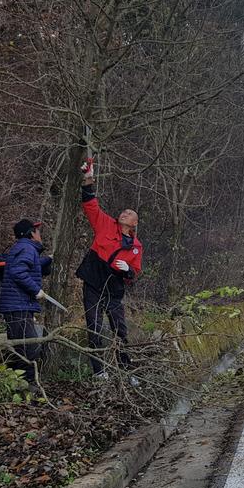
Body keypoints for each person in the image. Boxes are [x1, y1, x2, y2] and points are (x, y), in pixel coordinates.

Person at [75, 159, 143, 380]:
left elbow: (134, 275)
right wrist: (88, 178)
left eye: (129, 213)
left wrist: (126, 271)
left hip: (114, 289)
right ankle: (99, 371)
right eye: (123, 211)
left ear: (134, 223)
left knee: (119, 329)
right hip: (94, 283)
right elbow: (90, 204)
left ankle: (125, 370)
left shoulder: (135, 247)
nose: (124, 213)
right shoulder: (105, 224)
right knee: (93, 325)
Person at [0, 218, 52, 390]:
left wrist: (48, 259)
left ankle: (14, 383)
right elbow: (18, 271)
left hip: (17, 305)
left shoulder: (24, 248)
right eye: (36, 231)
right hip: (18, 305)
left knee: (19, 346)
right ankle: (27, 385)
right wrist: (35, 290)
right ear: (31, 234)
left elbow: (29, 265)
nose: (39, 233)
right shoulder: (27, 248)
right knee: (29, 347)